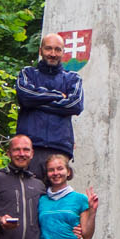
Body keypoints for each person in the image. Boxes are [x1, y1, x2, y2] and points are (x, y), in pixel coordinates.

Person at [15, 33, 84, 179]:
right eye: (48, 49)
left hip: (60, 149)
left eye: (58, 50)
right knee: (29, 197)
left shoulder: (72, 78)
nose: (53, 54)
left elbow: (75, 104)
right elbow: (25, 97)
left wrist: (37, 103)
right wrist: (59, 96)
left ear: (63, 52)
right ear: (40, 51)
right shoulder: (27, 74)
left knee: (57, 199)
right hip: (30, 149)